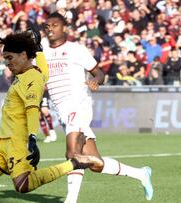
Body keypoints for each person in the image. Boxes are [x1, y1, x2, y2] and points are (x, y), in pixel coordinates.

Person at [0, 32, 101, 203]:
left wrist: (32, 138)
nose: (7, 63)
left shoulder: (31, 79)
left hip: (18, 143)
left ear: (23, 55)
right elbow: (44, 71)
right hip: (2, 143)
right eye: (5, 59)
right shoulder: (31, 73)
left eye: (10, 57)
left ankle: (74, 163)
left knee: (23, 185)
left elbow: (32, 109)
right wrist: (38, 50)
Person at [42, 12, 153, 203]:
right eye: (47, 25)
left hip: (78, 104)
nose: (50, 28)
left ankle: (71, 200)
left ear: (64, 28)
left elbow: (99, 73)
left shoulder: (76, 50)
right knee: (95, 163)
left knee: (72, 153)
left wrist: (95, 81)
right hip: (61, 109)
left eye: (55, 25)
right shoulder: (42, 52)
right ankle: (141, 174)